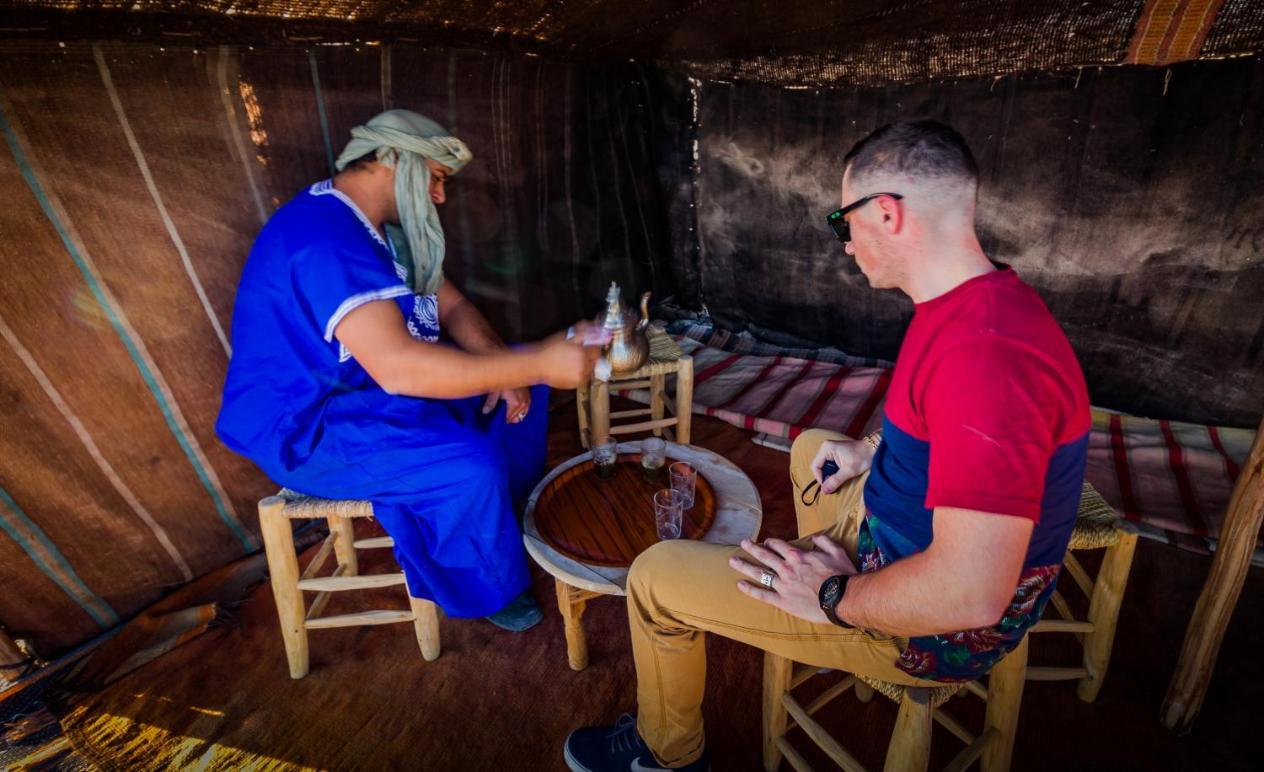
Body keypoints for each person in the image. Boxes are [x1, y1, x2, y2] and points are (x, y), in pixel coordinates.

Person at [563, 120, 1090, 770]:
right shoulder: (970, 304)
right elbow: (937, 426)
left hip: (937, 622)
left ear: (888, 214)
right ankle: (823, 568)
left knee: (653, 576)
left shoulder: (986, 360)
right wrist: (873, 449)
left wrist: (833, 598)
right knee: (815, 445)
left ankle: (667, 752)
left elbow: (973, 593)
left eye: (844, 223)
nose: (844, 244)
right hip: (899, 535)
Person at [218, 109, 600, 632]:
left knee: (516, 383)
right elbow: (399, 368)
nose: (440, 196)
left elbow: (454, 308)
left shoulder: (386, 236)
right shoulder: (323, 237)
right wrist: (538, 358)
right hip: (310, 425)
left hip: (372, 397)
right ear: (393, 159)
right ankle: (488, 582)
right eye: (437, 178)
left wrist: (507, 365)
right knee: (469, 465)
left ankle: (492, 520)